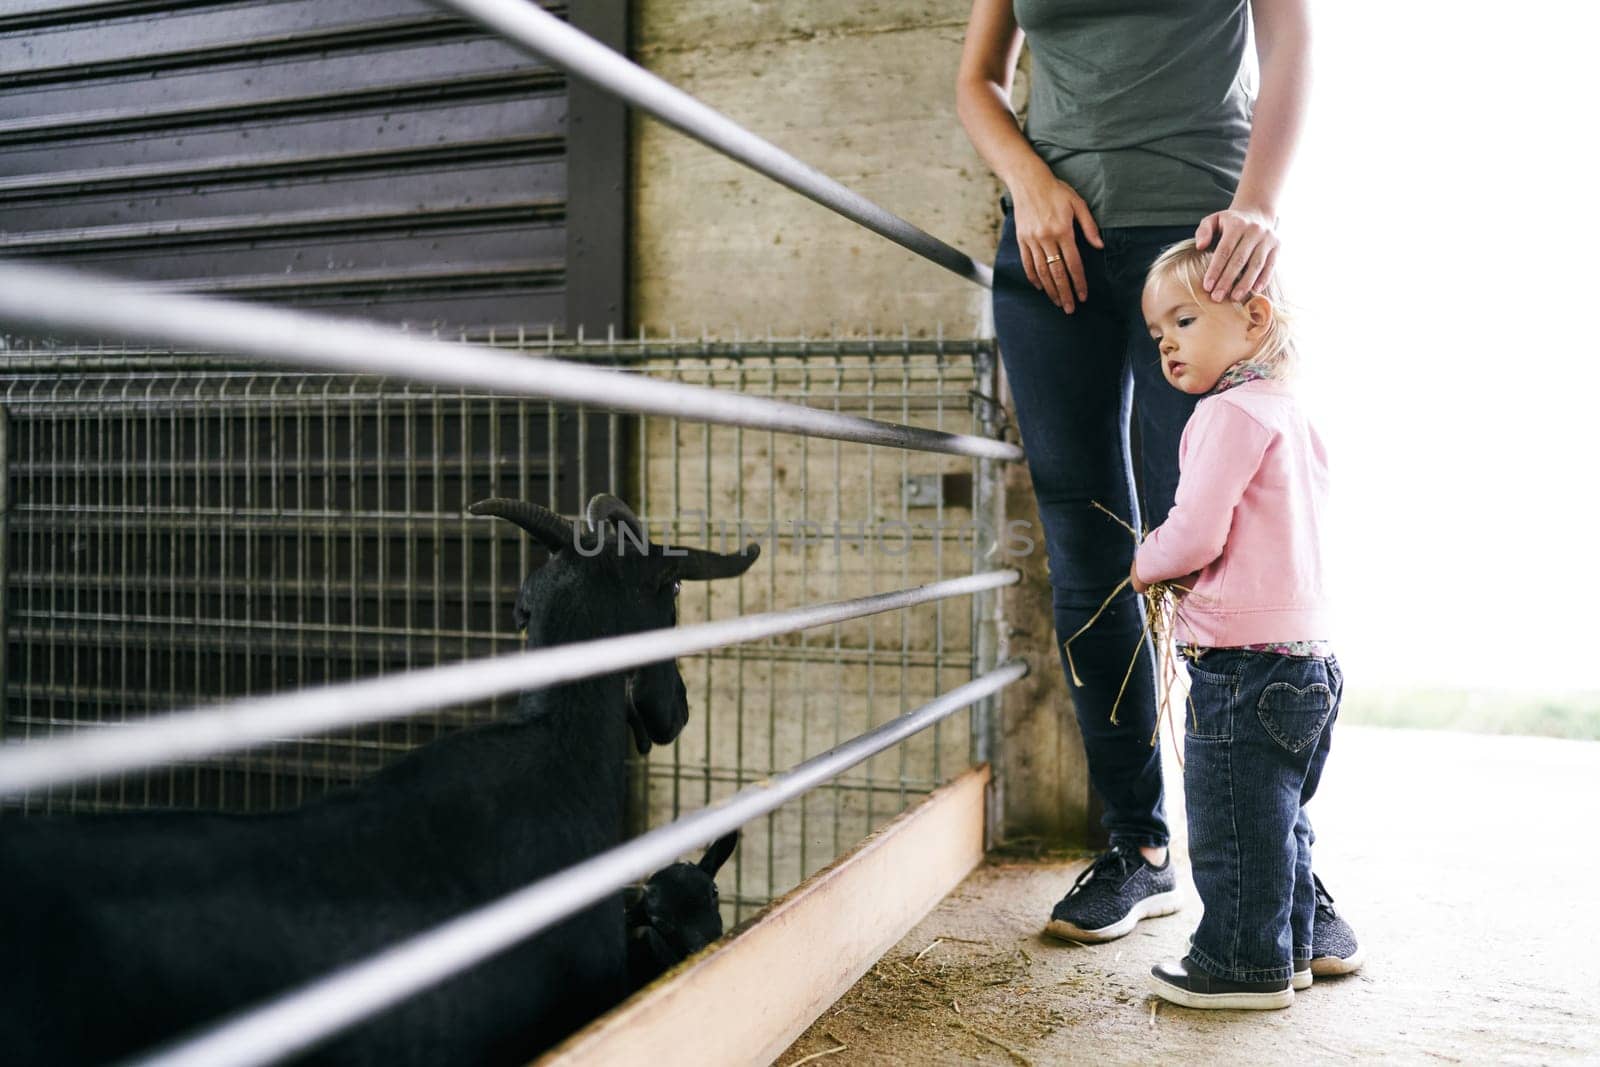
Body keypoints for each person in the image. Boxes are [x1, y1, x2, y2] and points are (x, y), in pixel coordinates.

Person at [954, 0, 1362, 976]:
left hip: (1202, 235)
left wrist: (1259, 199)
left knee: (1226, 541)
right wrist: (1028, 182)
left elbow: (1290, 34)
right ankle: (1135, 844)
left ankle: (1283, 869)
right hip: (1051, 244)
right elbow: (976, 77)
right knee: (1087, 538)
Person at [1131, 239, 1347, 1007]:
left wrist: (1146, 559)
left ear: (1254, 317)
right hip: (1310, 661)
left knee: (1230, 825)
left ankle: (1239, 964)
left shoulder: (1224, 414)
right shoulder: (1291, 414)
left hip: (1241, 665)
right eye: (1158, 335)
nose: (1167, 345)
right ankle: (1288, 950)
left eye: (1183, 321)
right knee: (1279, 820)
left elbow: (1196, 533)